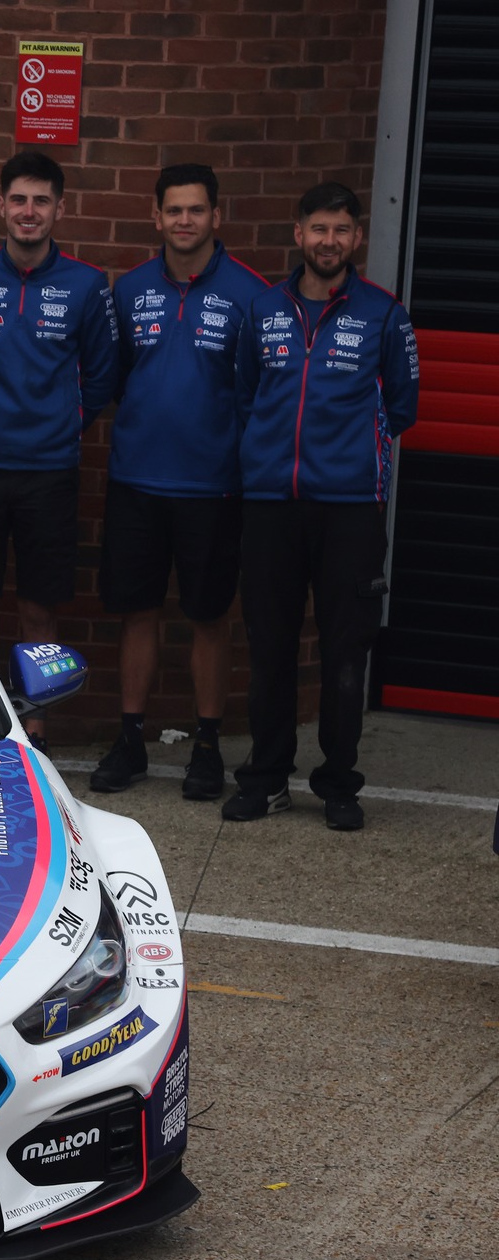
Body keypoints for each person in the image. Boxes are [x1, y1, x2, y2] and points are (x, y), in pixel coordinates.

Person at [225, 182, 419, 830]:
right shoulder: (264, 309)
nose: (329, 241)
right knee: (269, 649)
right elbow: (247, 396)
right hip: (271, 506)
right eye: (318, 228)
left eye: (340, 230)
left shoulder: (385, 315)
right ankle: (266, 779)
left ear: (356, 237)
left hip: (350, 509)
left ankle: (338, 784)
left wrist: (348, 459)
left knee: (344, 654)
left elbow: (401, 409)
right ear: (299, 233)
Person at [89, 165, 269, 800]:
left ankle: (208, 747)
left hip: (214, 486)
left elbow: (257, 393)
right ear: (156, 216)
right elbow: (117, 376)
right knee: (136, 611)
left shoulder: (251, 294)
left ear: (216, 216)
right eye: (173, 210)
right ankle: (130, 739)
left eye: (196, 210)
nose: (184, 221)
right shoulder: (131, 288)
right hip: (136, 479)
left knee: (210, 616)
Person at [0, 151, 119, 742]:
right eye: (19, 199)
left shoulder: (87, 284)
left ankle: (33, 731)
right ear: (1, 205)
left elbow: (102, 376)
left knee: (40, 610)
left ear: (60, 209)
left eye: (41, 200)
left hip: (49, 471)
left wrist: (62, 424)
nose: (29, 211)